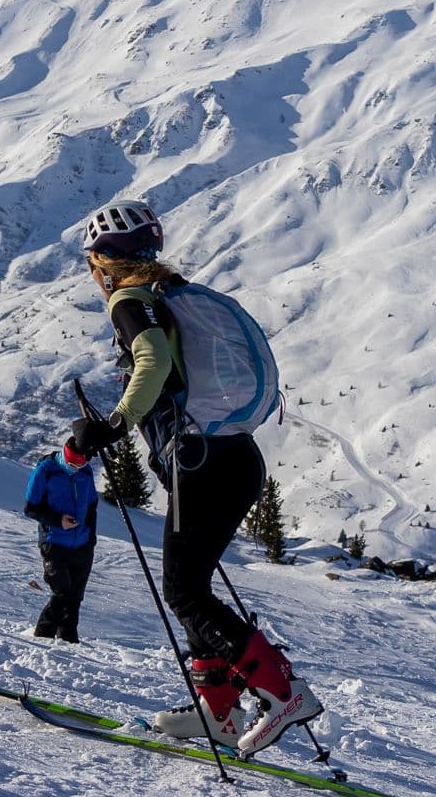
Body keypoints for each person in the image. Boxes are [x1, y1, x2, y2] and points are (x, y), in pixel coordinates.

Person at [75, 196, 322, 756]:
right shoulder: (171, 297)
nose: (94, 276)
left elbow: (153, 362)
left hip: (203, 463)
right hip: (233, 458)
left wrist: (114, 425)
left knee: (183, 590)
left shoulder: (132, 301)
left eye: (93, 264)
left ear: (104, 263)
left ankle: (282, 692)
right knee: (192, 588)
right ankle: (220, 713)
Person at [23, 433, 98, 642]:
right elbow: (30, 508)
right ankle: (42, 637)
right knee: (62, 593)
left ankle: (69, 641)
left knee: (75, 598)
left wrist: (91, 537)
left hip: (82, 545)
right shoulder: (45, 471)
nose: (76, 469)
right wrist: (58, 520)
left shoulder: (86, 472)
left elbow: (92, 506)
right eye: (72, 465)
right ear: (65, 456)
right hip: (54, 542)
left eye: (80, 466)